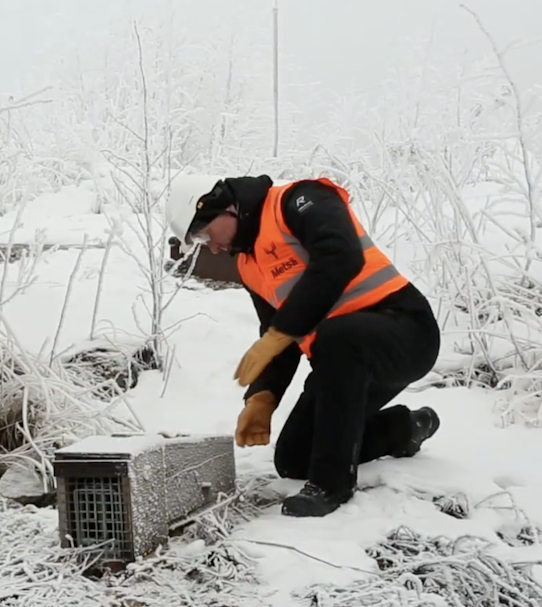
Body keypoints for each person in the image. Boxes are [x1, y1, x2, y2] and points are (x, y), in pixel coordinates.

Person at [165, 173, 443, 518]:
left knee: (336, 337)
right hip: (341, 362)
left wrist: (281, 331)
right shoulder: (248, 266)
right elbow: (277, 334)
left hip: (405, 332)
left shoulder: (298, 201)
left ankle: (332, 485)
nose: (213, 247)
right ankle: (405, 429)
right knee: (294, 458)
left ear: (222, 207)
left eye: (205, 235)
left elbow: (340, 257)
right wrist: (262, 396)